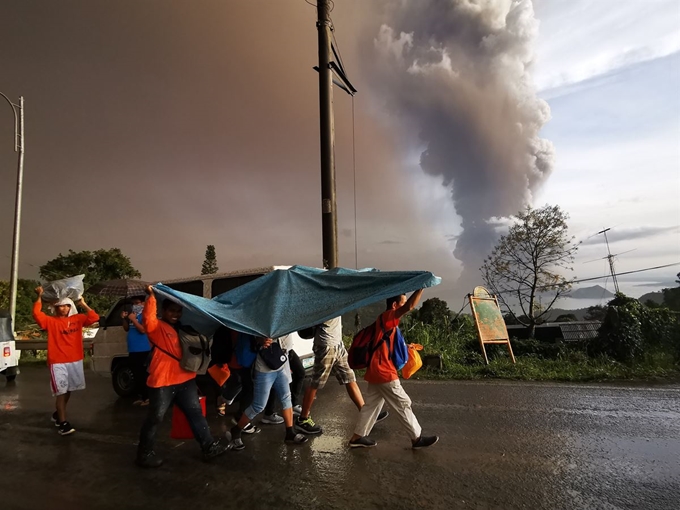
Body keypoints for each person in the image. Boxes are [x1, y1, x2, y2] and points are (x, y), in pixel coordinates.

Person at [136, 285, 228, 468]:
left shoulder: (183, 328)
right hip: (162, 382)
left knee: (195, 414)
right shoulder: (156, 327)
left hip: (186, 379)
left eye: (178, 311)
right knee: (155, 418)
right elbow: (147, 319)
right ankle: (144, 454)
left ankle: (208, 447)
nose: (175, 314)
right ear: (164, 311)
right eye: (172, 311)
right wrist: (152, 296)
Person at [349, 289, 439, 449]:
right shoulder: (389, 316)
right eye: (401, 303)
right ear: (394, 305)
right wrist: (421, 287)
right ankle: (417, 439)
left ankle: (357, 437)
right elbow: (410, 306)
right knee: (403, 403)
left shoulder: (385, 321)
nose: (404, 307)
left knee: (371, 406)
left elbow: (386, 344)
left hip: (376, 371)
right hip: (384, 372)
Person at [296, 317, 388, 435]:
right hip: (326, 345)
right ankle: (303, 419)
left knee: (349, 377)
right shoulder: (325, 301)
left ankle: (366, 414)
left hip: (338, 344)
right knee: (316, 383)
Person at [32, 286, 99, 436]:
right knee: (61, 392)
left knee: (68, 390)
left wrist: (83, 303)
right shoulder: (51, 321)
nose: (62, 308)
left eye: (66, 305)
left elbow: (94, 317)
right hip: (58, 362)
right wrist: (40, 296)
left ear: (70, 307)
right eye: (59, 306)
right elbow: (36, 313)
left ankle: (57, 414)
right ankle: (63, 423)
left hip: (75, 361)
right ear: (55, 308)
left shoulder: (78, 319)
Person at [230, 335, 308, 450]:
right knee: (258, 405)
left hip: (280, 364)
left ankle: (290, 432)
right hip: (264, 369)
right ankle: (236, 430)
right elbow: (252, 334)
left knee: (286, 398)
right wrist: (259, 340)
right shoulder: (262, 320)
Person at [121, 296, 150, 405]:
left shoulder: (145, 315)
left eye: (137, 303)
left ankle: (147, 397)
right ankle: (141, 396)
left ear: (143, 303)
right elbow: (126, 328)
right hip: (133, 349)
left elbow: (143, 330)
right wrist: (124, 318)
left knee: (144, 374)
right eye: (133, 303)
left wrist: (133, 319)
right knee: (136, 374)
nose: (135, 305)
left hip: (143, 349)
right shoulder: (132, 314)